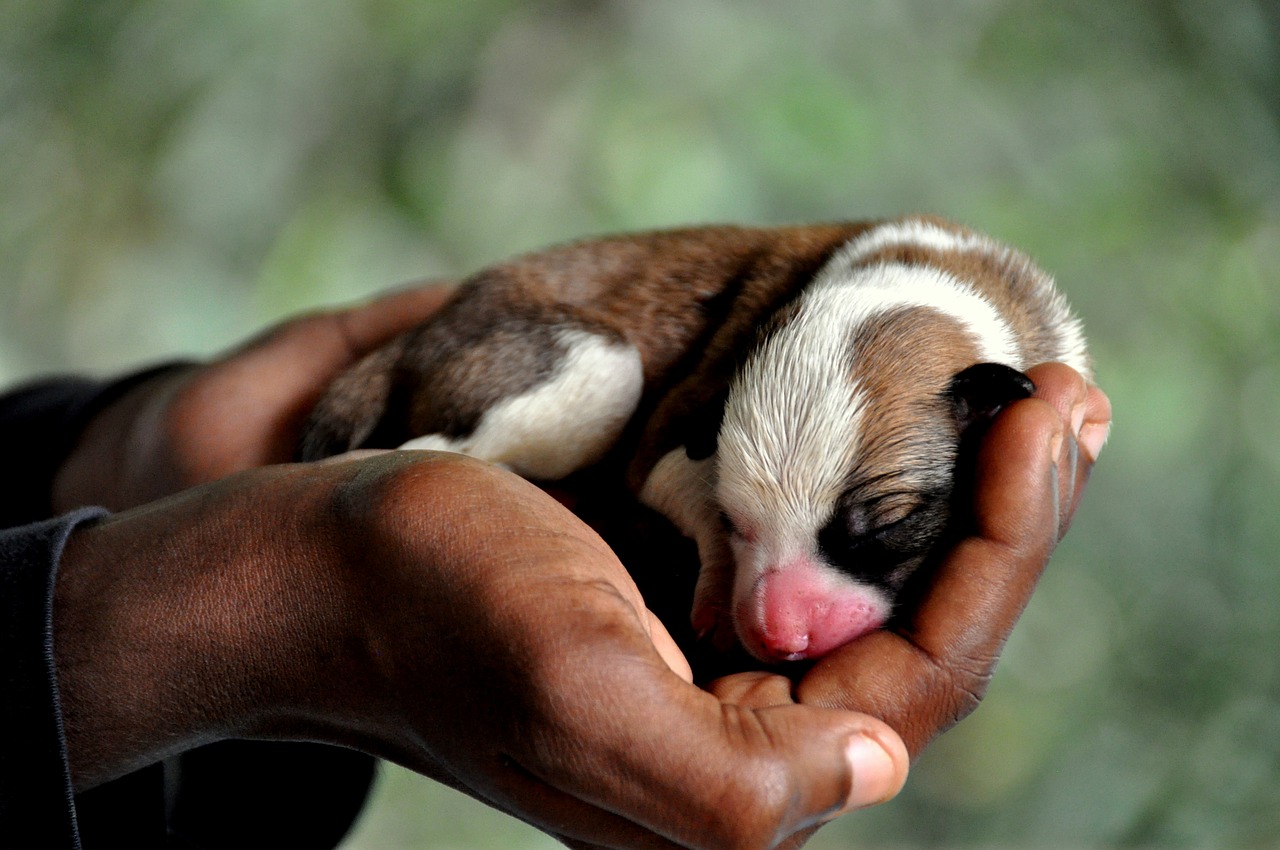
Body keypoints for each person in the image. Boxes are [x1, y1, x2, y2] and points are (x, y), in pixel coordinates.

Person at [0, 284, 1111, 850]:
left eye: (865, 530)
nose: (773, 621)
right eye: (742, 529)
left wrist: (99, 453)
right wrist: (239, 604)